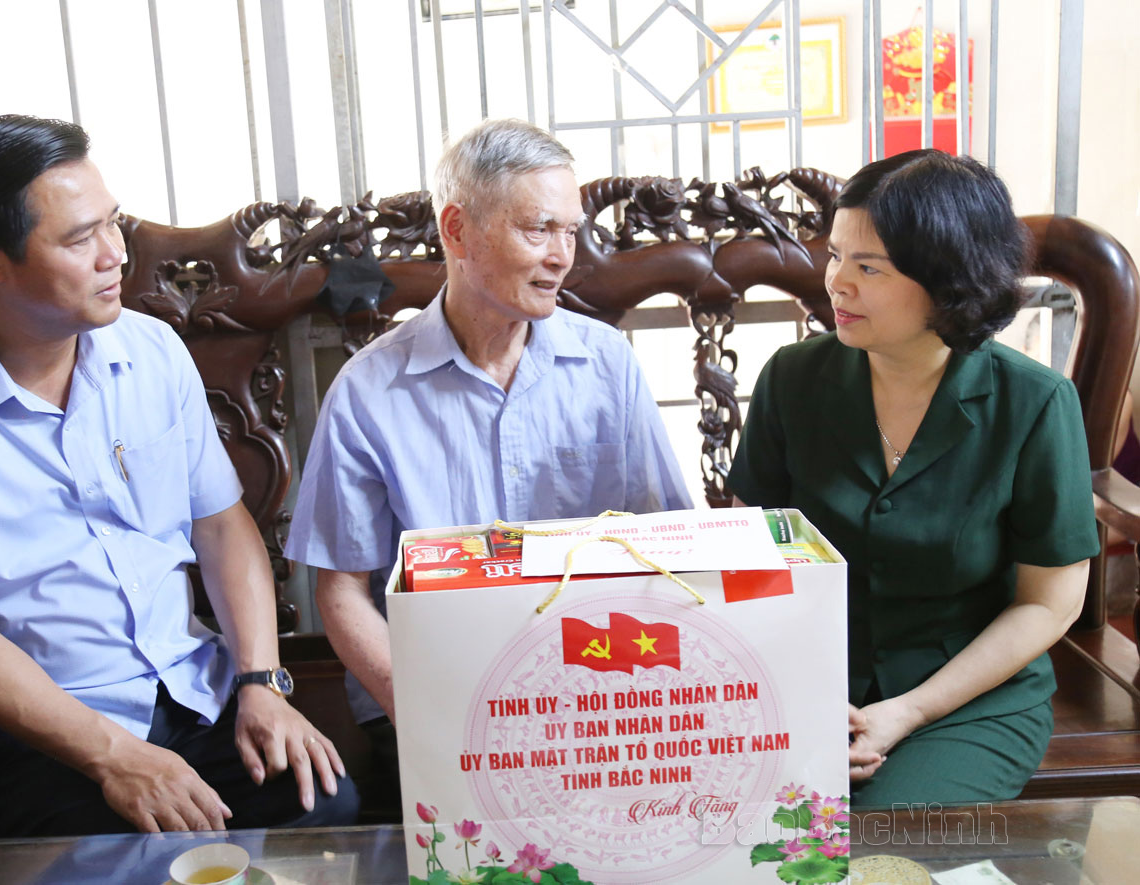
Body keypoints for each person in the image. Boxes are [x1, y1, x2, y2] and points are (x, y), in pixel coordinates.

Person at [0, 115, 358, 836]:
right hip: (25, 728)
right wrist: (117, 756)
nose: (115, 254)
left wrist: (260, 682)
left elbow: (220, 525)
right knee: (124, 853)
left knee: (322, 802)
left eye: (113, 224)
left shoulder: (150, 350)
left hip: (186, 688)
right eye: (78, 237)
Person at [284, 118, 692, 803]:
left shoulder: (604, 364)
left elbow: (668, 545)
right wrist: (427, 710)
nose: (564, 255)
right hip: (434, 695)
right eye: (539, 229)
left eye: (572, 229)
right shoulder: (369, 390)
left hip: (595, 692)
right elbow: (342, 591)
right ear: (458, 230)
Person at [729, 149, 1097, 806]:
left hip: (964, 697)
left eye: (868, 267)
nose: (836, 282)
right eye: (835, 254)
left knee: (875, 845)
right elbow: (746, 556)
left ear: (950, 280)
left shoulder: (1034, 404)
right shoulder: (791, 379)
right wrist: (797, 695)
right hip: (803, 683)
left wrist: (909, 710)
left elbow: (1050, 600)